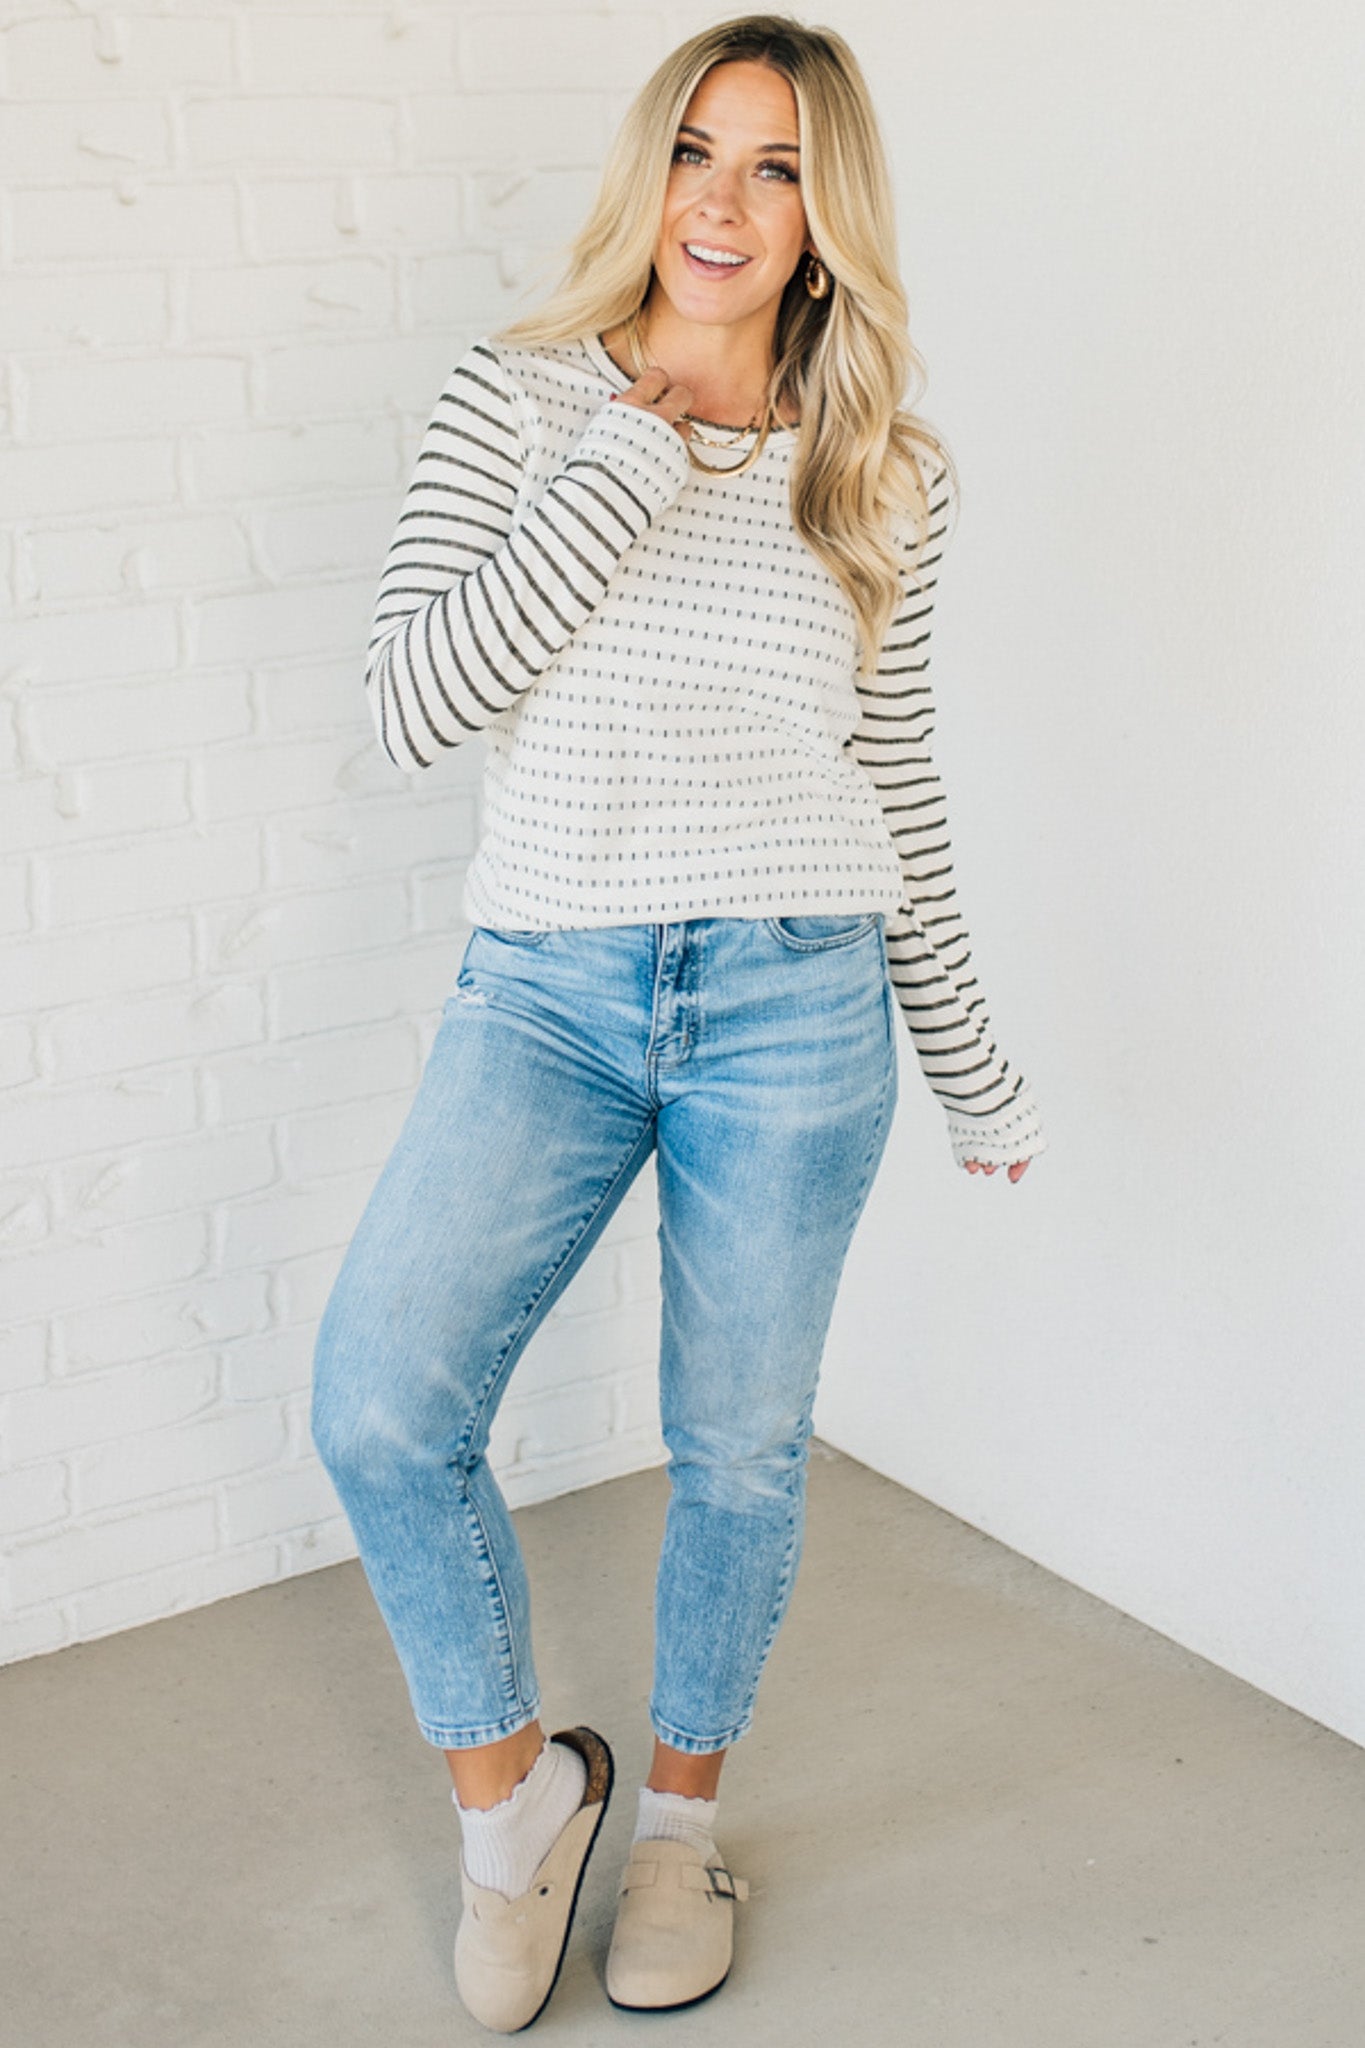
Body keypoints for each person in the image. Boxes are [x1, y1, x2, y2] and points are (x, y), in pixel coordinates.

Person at [310, 10, 1044, 2032]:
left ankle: (677, 1827)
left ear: (827, 215)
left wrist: (968, 1049)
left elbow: (890, 778)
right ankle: (515, 1808)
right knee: (380, 1398)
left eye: (777, 167)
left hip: (801, 1002)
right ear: (648, 172)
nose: (722, 202)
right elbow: (411, 711)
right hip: (543, 988)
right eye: (696, 154)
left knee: (733, 1450)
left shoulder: (882, 464)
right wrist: (635, 444)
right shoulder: (521, 399)